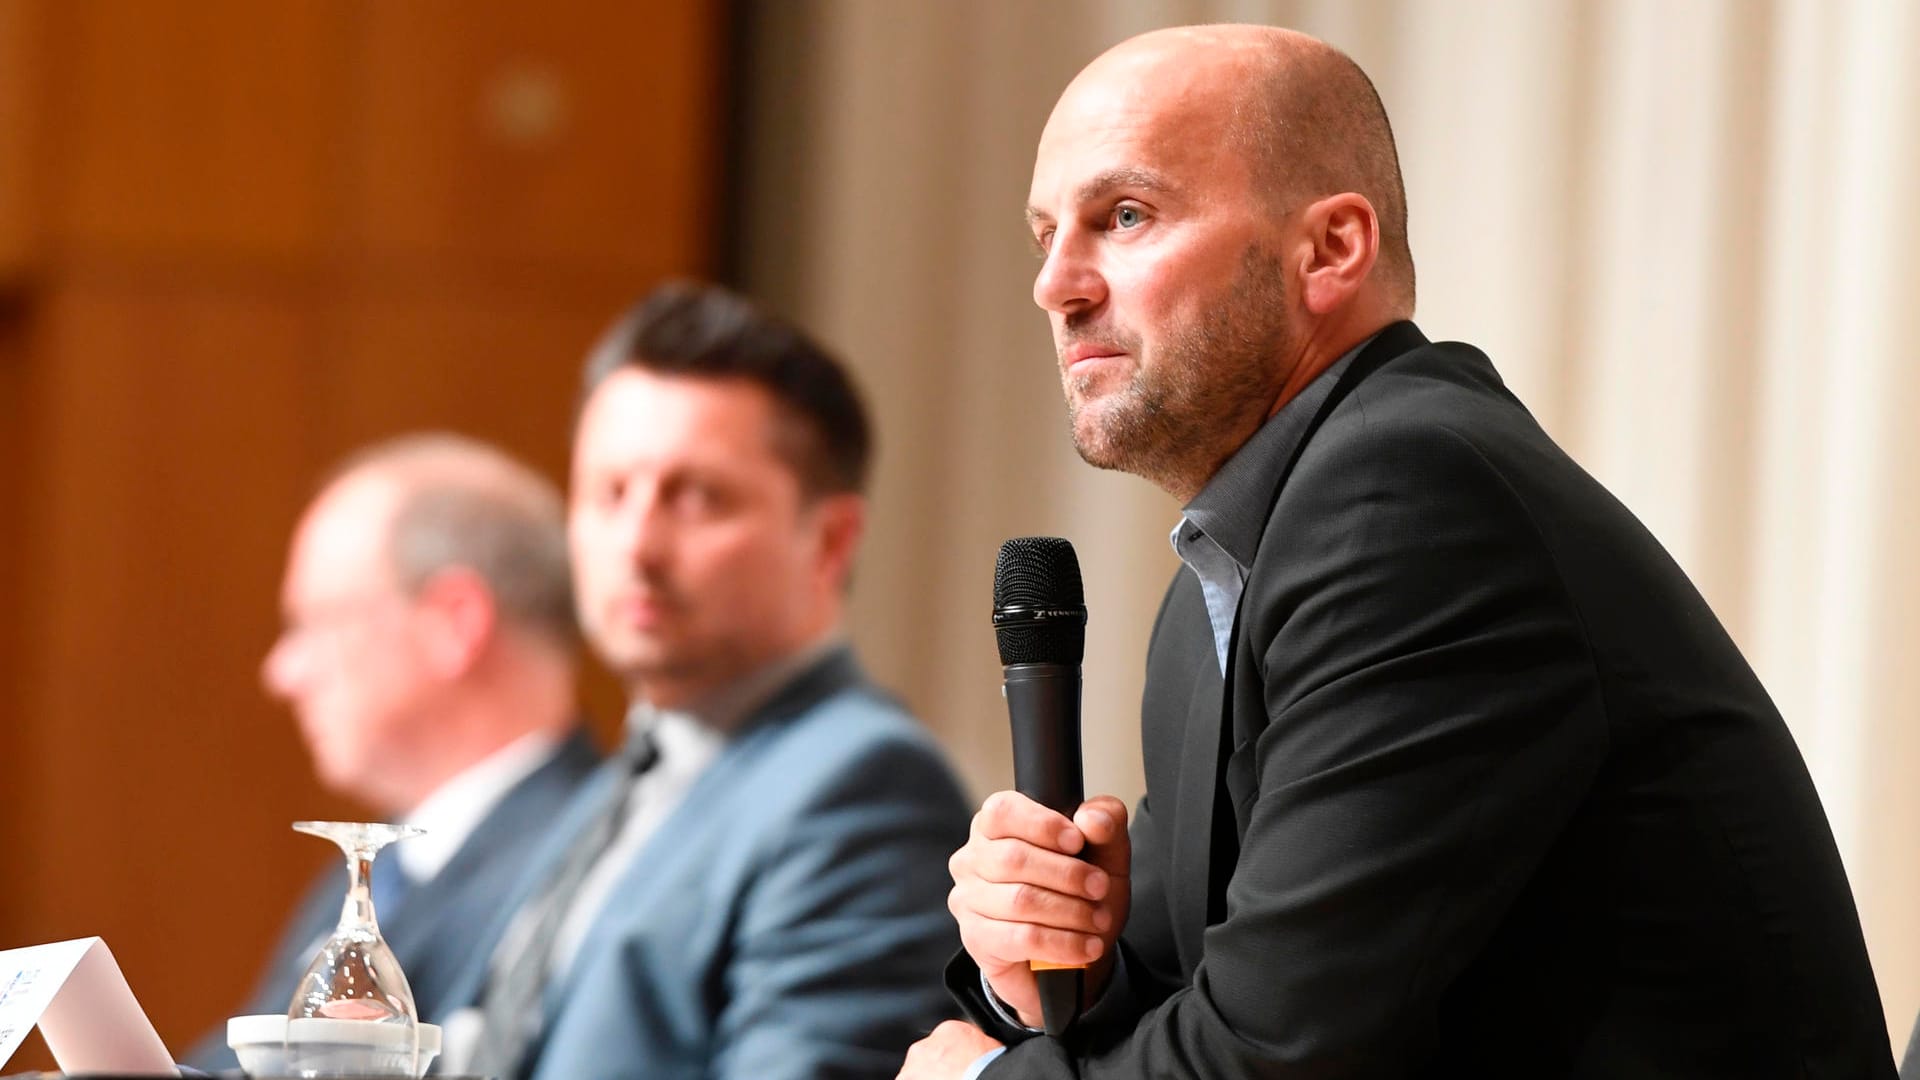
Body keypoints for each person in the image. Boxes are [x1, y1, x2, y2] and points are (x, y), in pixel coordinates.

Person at [905, 24, 1895, 1078]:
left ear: (1332, 249)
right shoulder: (1243, 561)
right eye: (1045, 235)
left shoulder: (1407, 505)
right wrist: (1058, 967)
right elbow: (1202, 986)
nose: (1056, 286)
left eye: (1126, 216)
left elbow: (1270, 1059)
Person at [432, 282, 973, 1080]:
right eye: (610, 493)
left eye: (697, 498)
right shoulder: (634, 770)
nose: (637, 544)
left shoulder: (868, 789)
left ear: (829, 541)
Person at [187, 434, 600, 1070]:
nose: (282, 672)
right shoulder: (365, 876)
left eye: (312, 623)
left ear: (452, 623)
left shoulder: (592, 855)